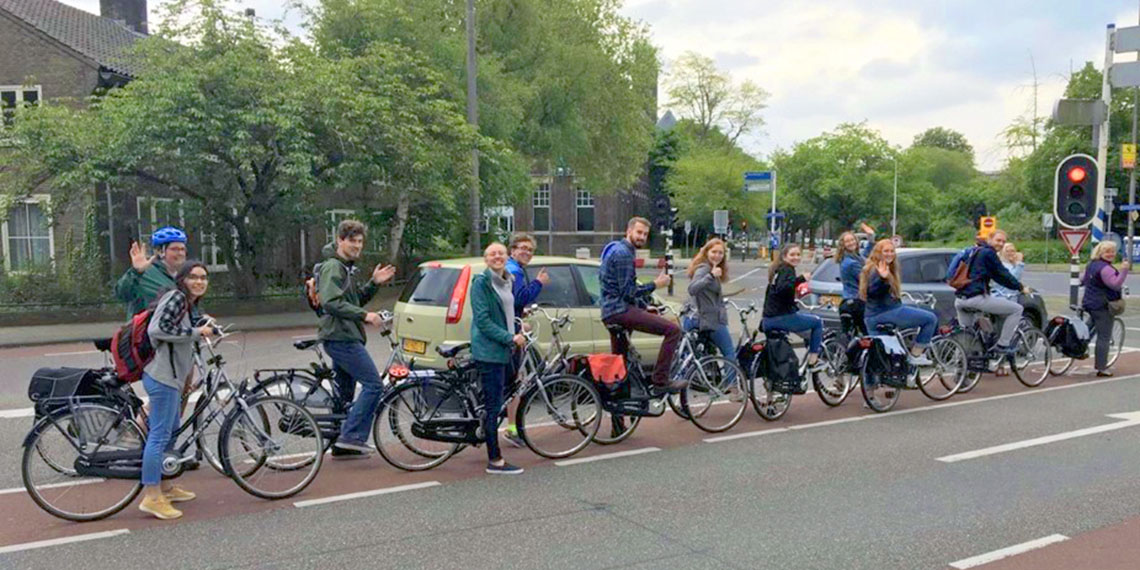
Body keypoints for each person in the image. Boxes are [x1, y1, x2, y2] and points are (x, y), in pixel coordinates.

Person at [138, 261, 214, 520]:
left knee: (171, 431)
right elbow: (157, 329)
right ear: (182, 279)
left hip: (172, 378)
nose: (199, 282)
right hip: (162, 378)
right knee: (159, 436)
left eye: (203, 278)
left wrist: (201, 325)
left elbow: (178, 331)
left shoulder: (187, 303)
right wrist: (196, 331)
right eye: (193, 277)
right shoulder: (176, 297)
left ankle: (166, 486)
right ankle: (151, 495)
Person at [315, 220, 396, 458]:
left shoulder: (346, 267)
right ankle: (352, 437)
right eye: (352, 241)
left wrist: (373, 284)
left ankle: (341, 444)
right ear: (340, 240)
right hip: (341, 337)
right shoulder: (334, 267)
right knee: (374, 385)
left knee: (345, 396)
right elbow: (330, 302)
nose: (357, 246)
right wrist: (366, 316)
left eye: (360, 242)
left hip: (344, 335)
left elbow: (352, 301)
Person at [599, 217, 684, 392]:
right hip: (619, 311)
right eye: (639, 232)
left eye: (645, 234)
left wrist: (644, 307)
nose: (642, 237)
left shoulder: (616, 249)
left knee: (620, 365)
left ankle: (618, 409)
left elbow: (621, 289)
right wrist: (656, 285)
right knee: (673, 330)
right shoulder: (623, 254)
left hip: (610, 311)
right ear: (628, 231)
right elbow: (628, 292)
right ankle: (661, 381)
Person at [470, 242, 527, 474]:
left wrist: (519, 325)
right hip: (490, 350)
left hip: (503, 349)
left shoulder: (508, 280)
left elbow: (505, 312)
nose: (497, 256)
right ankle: (495, 460)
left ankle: (485, 429)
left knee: (505, 393)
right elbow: (483, 321)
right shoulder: (481, 283)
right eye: (492, 254)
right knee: (493, 406)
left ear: (507, 256)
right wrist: (509, 337)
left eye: (501, 253)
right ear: (486, 259)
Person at [502, 233, 549, 447]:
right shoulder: (514, 271)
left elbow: (512, 302)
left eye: (530, 250)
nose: (526, 252)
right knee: (513, 384)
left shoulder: (513, 269)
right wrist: (539, 283)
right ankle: (509, 430)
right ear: (512, 251)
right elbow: (519, 297)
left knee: (512, 383)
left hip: (511, 327)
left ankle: (510, 427)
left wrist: (521, 314)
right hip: (510, 335)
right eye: (522, 248)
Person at [859, 240, 936, 365]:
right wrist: (883, 279)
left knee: (882, 358)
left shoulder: (870, 268)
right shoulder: (878, 270)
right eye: (886, 251)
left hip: (870, 317)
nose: (889, 254)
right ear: (878, 253)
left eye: (892, 251)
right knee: (930, 318)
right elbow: (872, 291)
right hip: (887, 312)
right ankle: (916, 355)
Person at [953, 230, 1030, 353]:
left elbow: (994, 276)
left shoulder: (973, 250)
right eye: (998, 240)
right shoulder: (989, 253)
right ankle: (1003, 344)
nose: (1000, 243)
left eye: (1003, 241)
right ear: (990, 240)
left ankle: (961, 366)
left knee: (965, 336)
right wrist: (1020, 287)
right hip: (976, 299)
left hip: (960, 300)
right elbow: (1002, 275)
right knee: (1017, 309)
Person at [762, 244, 824, 367]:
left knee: (805, 328)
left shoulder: (777, 270)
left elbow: (777, 294)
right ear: (784, 257)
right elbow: (783, 288)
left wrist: (793, 303)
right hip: (781, 317)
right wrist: (801, 279)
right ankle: (813, 358)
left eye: (798, 254)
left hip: (767, 319)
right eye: (792, 255)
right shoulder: (787, 269)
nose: (795, 257)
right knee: (817, 322)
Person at [1081, 241, 1130, 377]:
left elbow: (1083, 280)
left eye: (1113, 251)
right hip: (1103, 305)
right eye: (1107, 251)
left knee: (1087, 330)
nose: (1111, 254)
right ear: (1100, 252)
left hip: (1089, 303)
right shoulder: (1106, 268)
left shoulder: (1091, 265)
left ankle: (1079, 348)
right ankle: (1101, 367)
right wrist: (1124, 270)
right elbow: (1115, 284)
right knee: (1104, 337)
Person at [114, 226, 188, 317]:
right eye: (174, 249)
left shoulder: (185, 276)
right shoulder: (145, 273)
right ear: (160, 252)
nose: (180, 253)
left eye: (182, 249)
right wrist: (135, 272)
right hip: (146, 329)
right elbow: (122, 294)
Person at [835, 228, 874, 335]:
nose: (851, 243)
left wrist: (871, 237)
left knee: (855, 336)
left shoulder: (853, 257)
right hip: (856, 302)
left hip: (848, 300)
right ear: (843, 245)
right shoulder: (851, 263)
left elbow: (865, 254)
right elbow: (865, 280)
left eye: (852, 240)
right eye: (847, 241)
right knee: (869, 333)